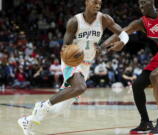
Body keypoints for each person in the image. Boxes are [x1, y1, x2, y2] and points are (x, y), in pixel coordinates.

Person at [17, 0, 129, 135]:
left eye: (100, 2)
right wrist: (73, 56)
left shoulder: (104, 19)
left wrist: (121, 42)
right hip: (71, 62)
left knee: (58, 111)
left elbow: (123, 33)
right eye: (94, 2)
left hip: (87, 65)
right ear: (87, 2)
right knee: (80, 87)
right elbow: (65, 47)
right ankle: (42, 106)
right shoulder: (74, 22)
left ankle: (26, 121)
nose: (98, 5)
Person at [106, 0, 158, 134]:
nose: (140, 6)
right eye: (139, 4)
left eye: (143, 2)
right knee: (137, 85)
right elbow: (122, 32)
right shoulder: (141, 22)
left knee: (154, 76)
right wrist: (101, 47)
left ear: (151, 2)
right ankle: (145, 122)